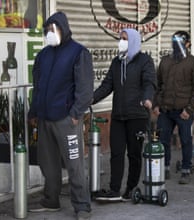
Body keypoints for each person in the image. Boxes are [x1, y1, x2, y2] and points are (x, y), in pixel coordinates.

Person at [28, 12, 93, 220]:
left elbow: (85, 90)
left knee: (74, 164)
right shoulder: (43, 55)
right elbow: (37, 87)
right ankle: (51, 200)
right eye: (47, 30)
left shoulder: (78, 53)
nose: (50, 33)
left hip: (67, 119)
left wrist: (75, 114)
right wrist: (34, 111)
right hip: (45, 118)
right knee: (48, 164)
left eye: (53, 29)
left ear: (63, 29)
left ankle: (82, 206)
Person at [92, 28, 156, 201]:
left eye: (125, 39)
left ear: (134, 41)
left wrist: (147, 98)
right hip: (119, 116)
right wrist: (89, 99)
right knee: (116, 153)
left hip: (137, 115)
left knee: (134, 154)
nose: (121, 41)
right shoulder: (116, 62)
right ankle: (114, 190)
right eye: (120, 38)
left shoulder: (144, 61)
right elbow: (106, 86)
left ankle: (131, 188)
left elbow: (149, 82)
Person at [153, 31, 194, 184]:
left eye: (181, 41)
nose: (177, 44)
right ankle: (165, 168)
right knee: (163, 140)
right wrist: (156, 104)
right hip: (165, 110)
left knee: (186, 140)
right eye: (174, 41)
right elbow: (157, 84)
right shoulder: (165, 61)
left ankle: (185, 170)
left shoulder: (193, 63)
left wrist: (189, 110)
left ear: (188, 44)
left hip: (183, 111)